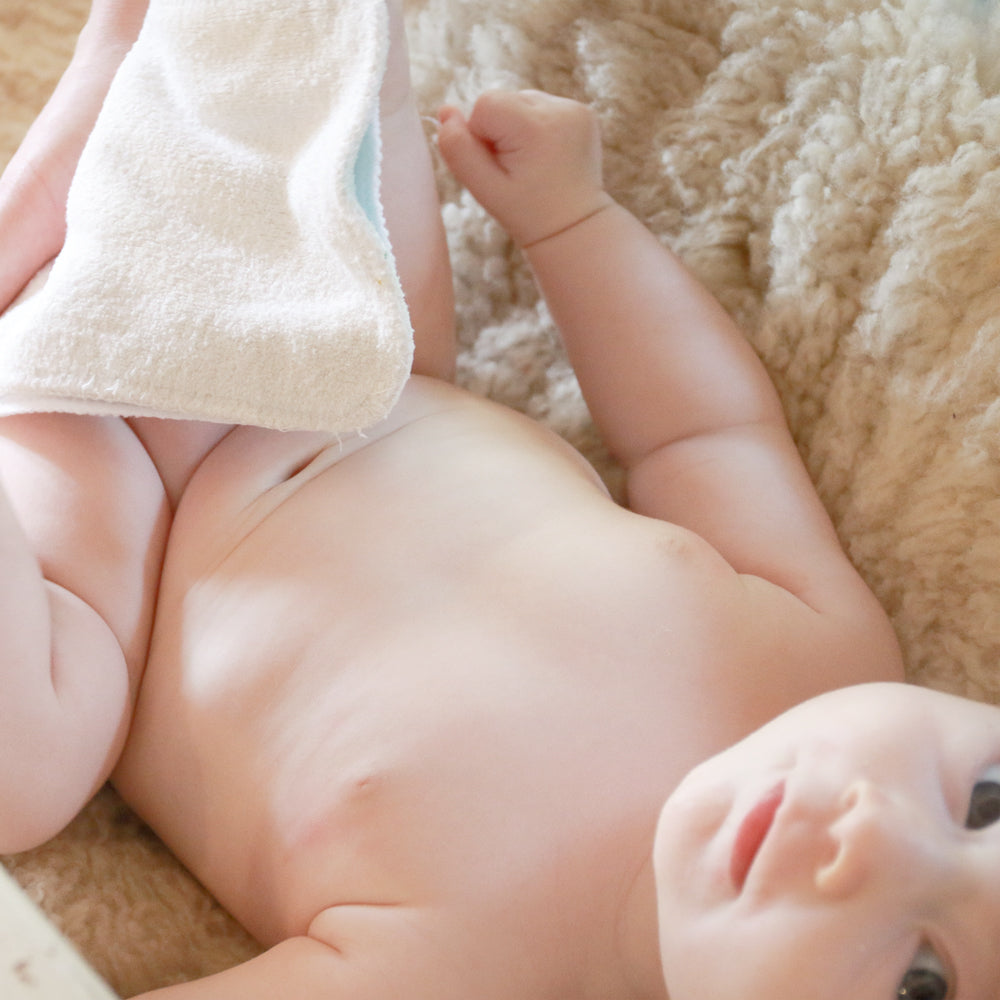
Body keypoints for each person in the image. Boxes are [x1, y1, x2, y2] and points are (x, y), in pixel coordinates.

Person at [2, 2, 995, 999]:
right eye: (985, 800)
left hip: (130, 542)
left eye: (921, 982)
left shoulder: (480, 976)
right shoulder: (824, 656)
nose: (866, 838)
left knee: (21, 771)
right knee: (329, 45)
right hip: (356, 355)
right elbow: (705, 432)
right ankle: (133, 57)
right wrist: (571, 221)